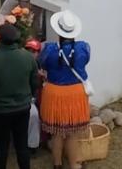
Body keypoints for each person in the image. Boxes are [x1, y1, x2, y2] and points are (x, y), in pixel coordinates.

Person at [0, 23, 39, 169]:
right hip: (22, 108)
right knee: (22, 146)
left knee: (1, 148)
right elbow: (34, 83)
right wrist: (27, 97)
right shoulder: (28, 58)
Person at [39, 11, 92, 169]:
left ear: (58, 31)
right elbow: (86, 61)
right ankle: (75, 164)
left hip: (54, 93)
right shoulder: (83, 48)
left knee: (57, 132)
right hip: (76, 93)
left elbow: (43, 64)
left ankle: (57, 163)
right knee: (73, 131)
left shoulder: (49, 50)